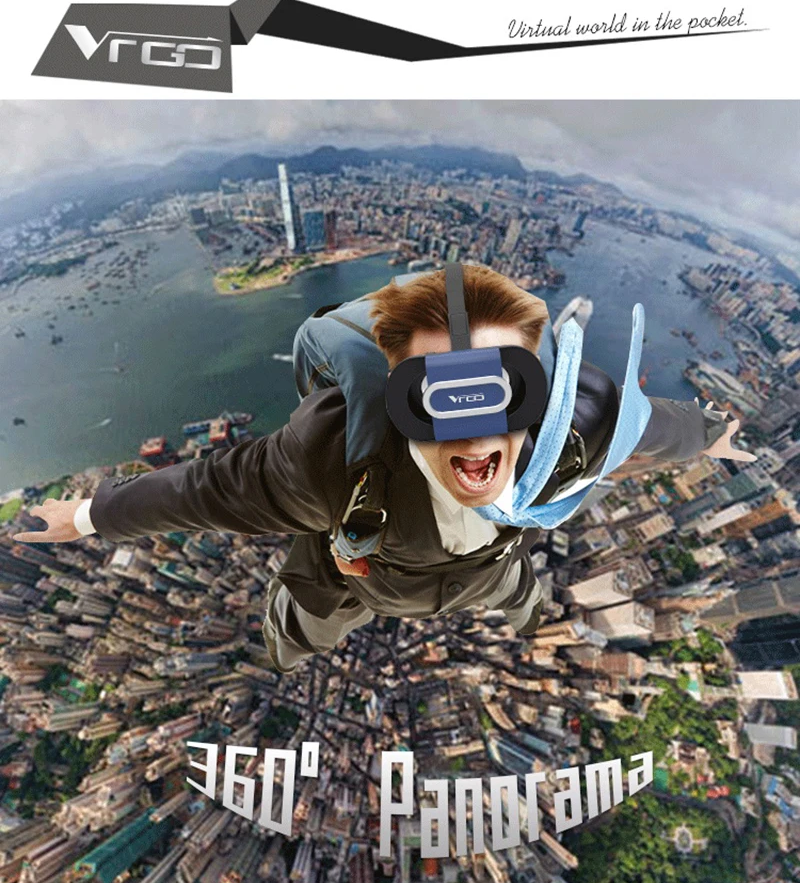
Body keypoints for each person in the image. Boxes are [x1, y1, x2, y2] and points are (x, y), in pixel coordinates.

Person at [13, 265, 755, 673]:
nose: (477, 436)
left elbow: (656, 428)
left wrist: (713, 435)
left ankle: (528, 612)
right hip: (365, 572)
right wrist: (88, 515)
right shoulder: (332, 455)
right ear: (397, 395)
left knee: (520, 593)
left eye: (503, 390)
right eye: (441, 398)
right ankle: (288, 642)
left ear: (540, 388)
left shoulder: (578, 425)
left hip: (490, 565)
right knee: (300, 628)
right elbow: (202, 491)